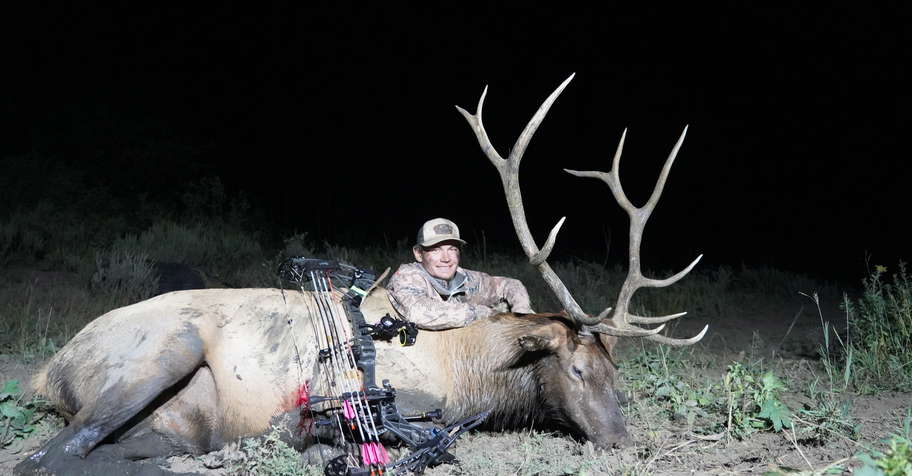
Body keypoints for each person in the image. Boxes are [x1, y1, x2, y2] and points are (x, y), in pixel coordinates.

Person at [386, 218, 534, 330]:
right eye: (436, 249)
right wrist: (485, 314)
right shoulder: (406, 276)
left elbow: (510, 284)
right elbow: (418, 312)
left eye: (452, 249)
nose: (446, 258)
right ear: (419, 254)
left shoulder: (464, 278)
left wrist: (522, 315)